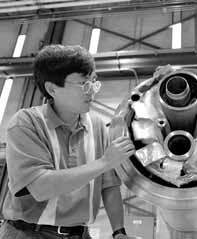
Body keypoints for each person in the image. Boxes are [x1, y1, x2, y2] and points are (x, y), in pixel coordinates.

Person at [0, 45, 135, 239]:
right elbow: (40, 187)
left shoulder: (97, 126)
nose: (92, 92)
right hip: (29, 234)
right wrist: (104, 162)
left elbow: (109, 185)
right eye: (83, 84)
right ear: (52, 88)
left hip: (79, 234)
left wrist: (118, 231)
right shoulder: (26, 123)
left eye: (94, 82)